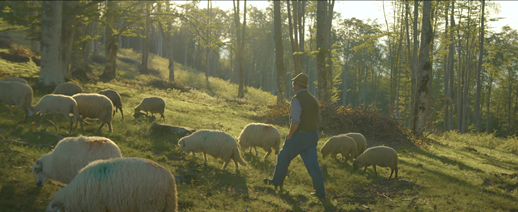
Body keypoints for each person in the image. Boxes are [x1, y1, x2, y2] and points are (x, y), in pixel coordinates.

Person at [263, 73, 326, 199]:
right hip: (313, 135)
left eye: (293, 85)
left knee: (283, 156)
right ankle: (320, 191)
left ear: (296, 85)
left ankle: (277, 182)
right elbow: (318, 119)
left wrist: (290, 135)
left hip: (300, 136)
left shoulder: (297, 99)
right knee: (313, 164)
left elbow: (295, 121)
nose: (292, 87)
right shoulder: (313, 100)